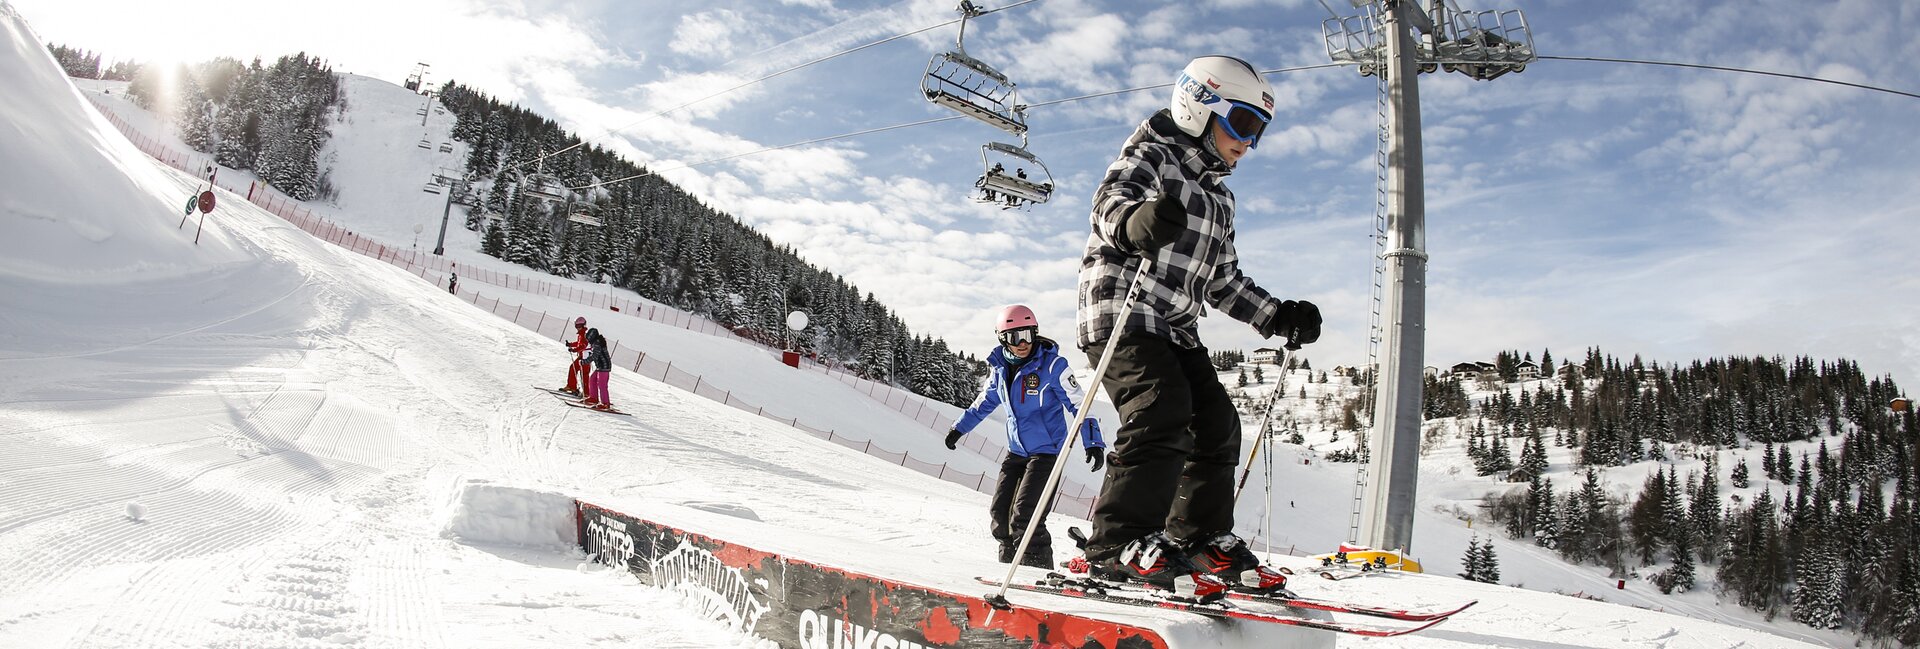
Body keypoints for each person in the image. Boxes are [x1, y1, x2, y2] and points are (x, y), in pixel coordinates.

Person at [1071, 55, 1322, 602]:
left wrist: (1277, 315)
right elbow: (1108, 204)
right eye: (1243, 124)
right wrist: (1135, 222)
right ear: (1200, 106)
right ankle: (1118, 543)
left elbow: (1222, 281)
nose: (1248, 144)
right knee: (1162, 409)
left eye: (1258, 132)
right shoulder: (1152, 154)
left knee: (1216, 424)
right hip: (1122, 311)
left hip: (1176, 326)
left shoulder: (1221, 198)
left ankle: (1200, 537)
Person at [946, 305, 1105, 570]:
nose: (1023, 343)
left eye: (1028, 335)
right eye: (1014, 337)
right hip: (1017, 451)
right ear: (1002, 338)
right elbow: (984, 402)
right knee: (1000, 515)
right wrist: (959, 429)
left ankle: (1036, 567)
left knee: (1026, 516)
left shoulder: (1053, 366)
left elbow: (1081, 405)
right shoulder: (1000, 370)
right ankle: (1008, 566)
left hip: (1046, 452)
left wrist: (1093, 441)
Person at [581, 328, 614, 411]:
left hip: (604, 366)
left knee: (602, 385)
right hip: (600, 366)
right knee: (592, 379)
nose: (588, 341)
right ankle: (593, 398)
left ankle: (605, 403)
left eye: (588, 339)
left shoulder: (597, 344)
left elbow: (594, 356)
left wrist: (585, 361)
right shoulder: (596, 342)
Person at [560, 317, 590, 397]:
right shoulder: (581, 334)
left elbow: (583, 346)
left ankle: (587, 393)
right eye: (576, 326)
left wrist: (574, 350)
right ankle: (572, 386)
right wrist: (570, 344)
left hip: (585, 358)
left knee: (584, 375)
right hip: (581, 357)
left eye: (579, 326)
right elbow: (579, 343)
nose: (578, 328)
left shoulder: (584, 335)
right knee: (573, 368)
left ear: (583, 325)